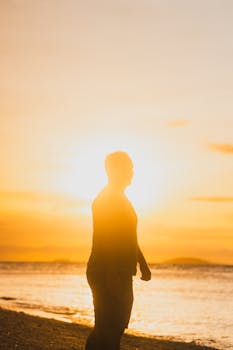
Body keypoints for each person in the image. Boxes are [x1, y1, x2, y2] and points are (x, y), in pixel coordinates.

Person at [85, 151, 151, 350]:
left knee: (115, 326)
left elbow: (128, 235)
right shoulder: (106, 200)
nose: (132, 173)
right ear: (116, 171)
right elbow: (106, 238)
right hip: (107, 270)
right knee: (108, 328)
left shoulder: (121, 198)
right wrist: (112, 273)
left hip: (120, 271)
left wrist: (142, 262)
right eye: (128, 169)